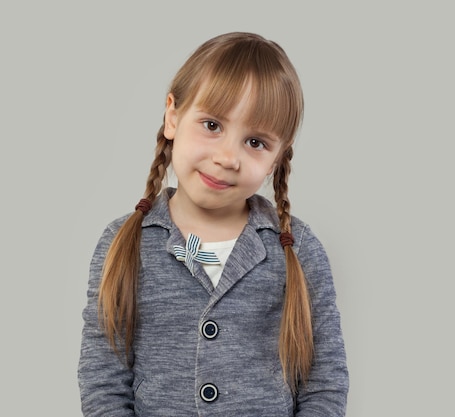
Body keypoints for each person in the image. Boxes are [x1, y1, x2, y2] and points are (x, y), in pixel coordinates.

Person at [78, 32, 349, 416]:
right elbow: (103, 380)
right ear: (173, 116)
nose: (227, 157)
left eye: (255, 142)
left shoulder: (298, 247)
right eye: (212, 125)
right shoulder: (125, 242)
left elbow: (325, 383)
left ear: (277, 159)